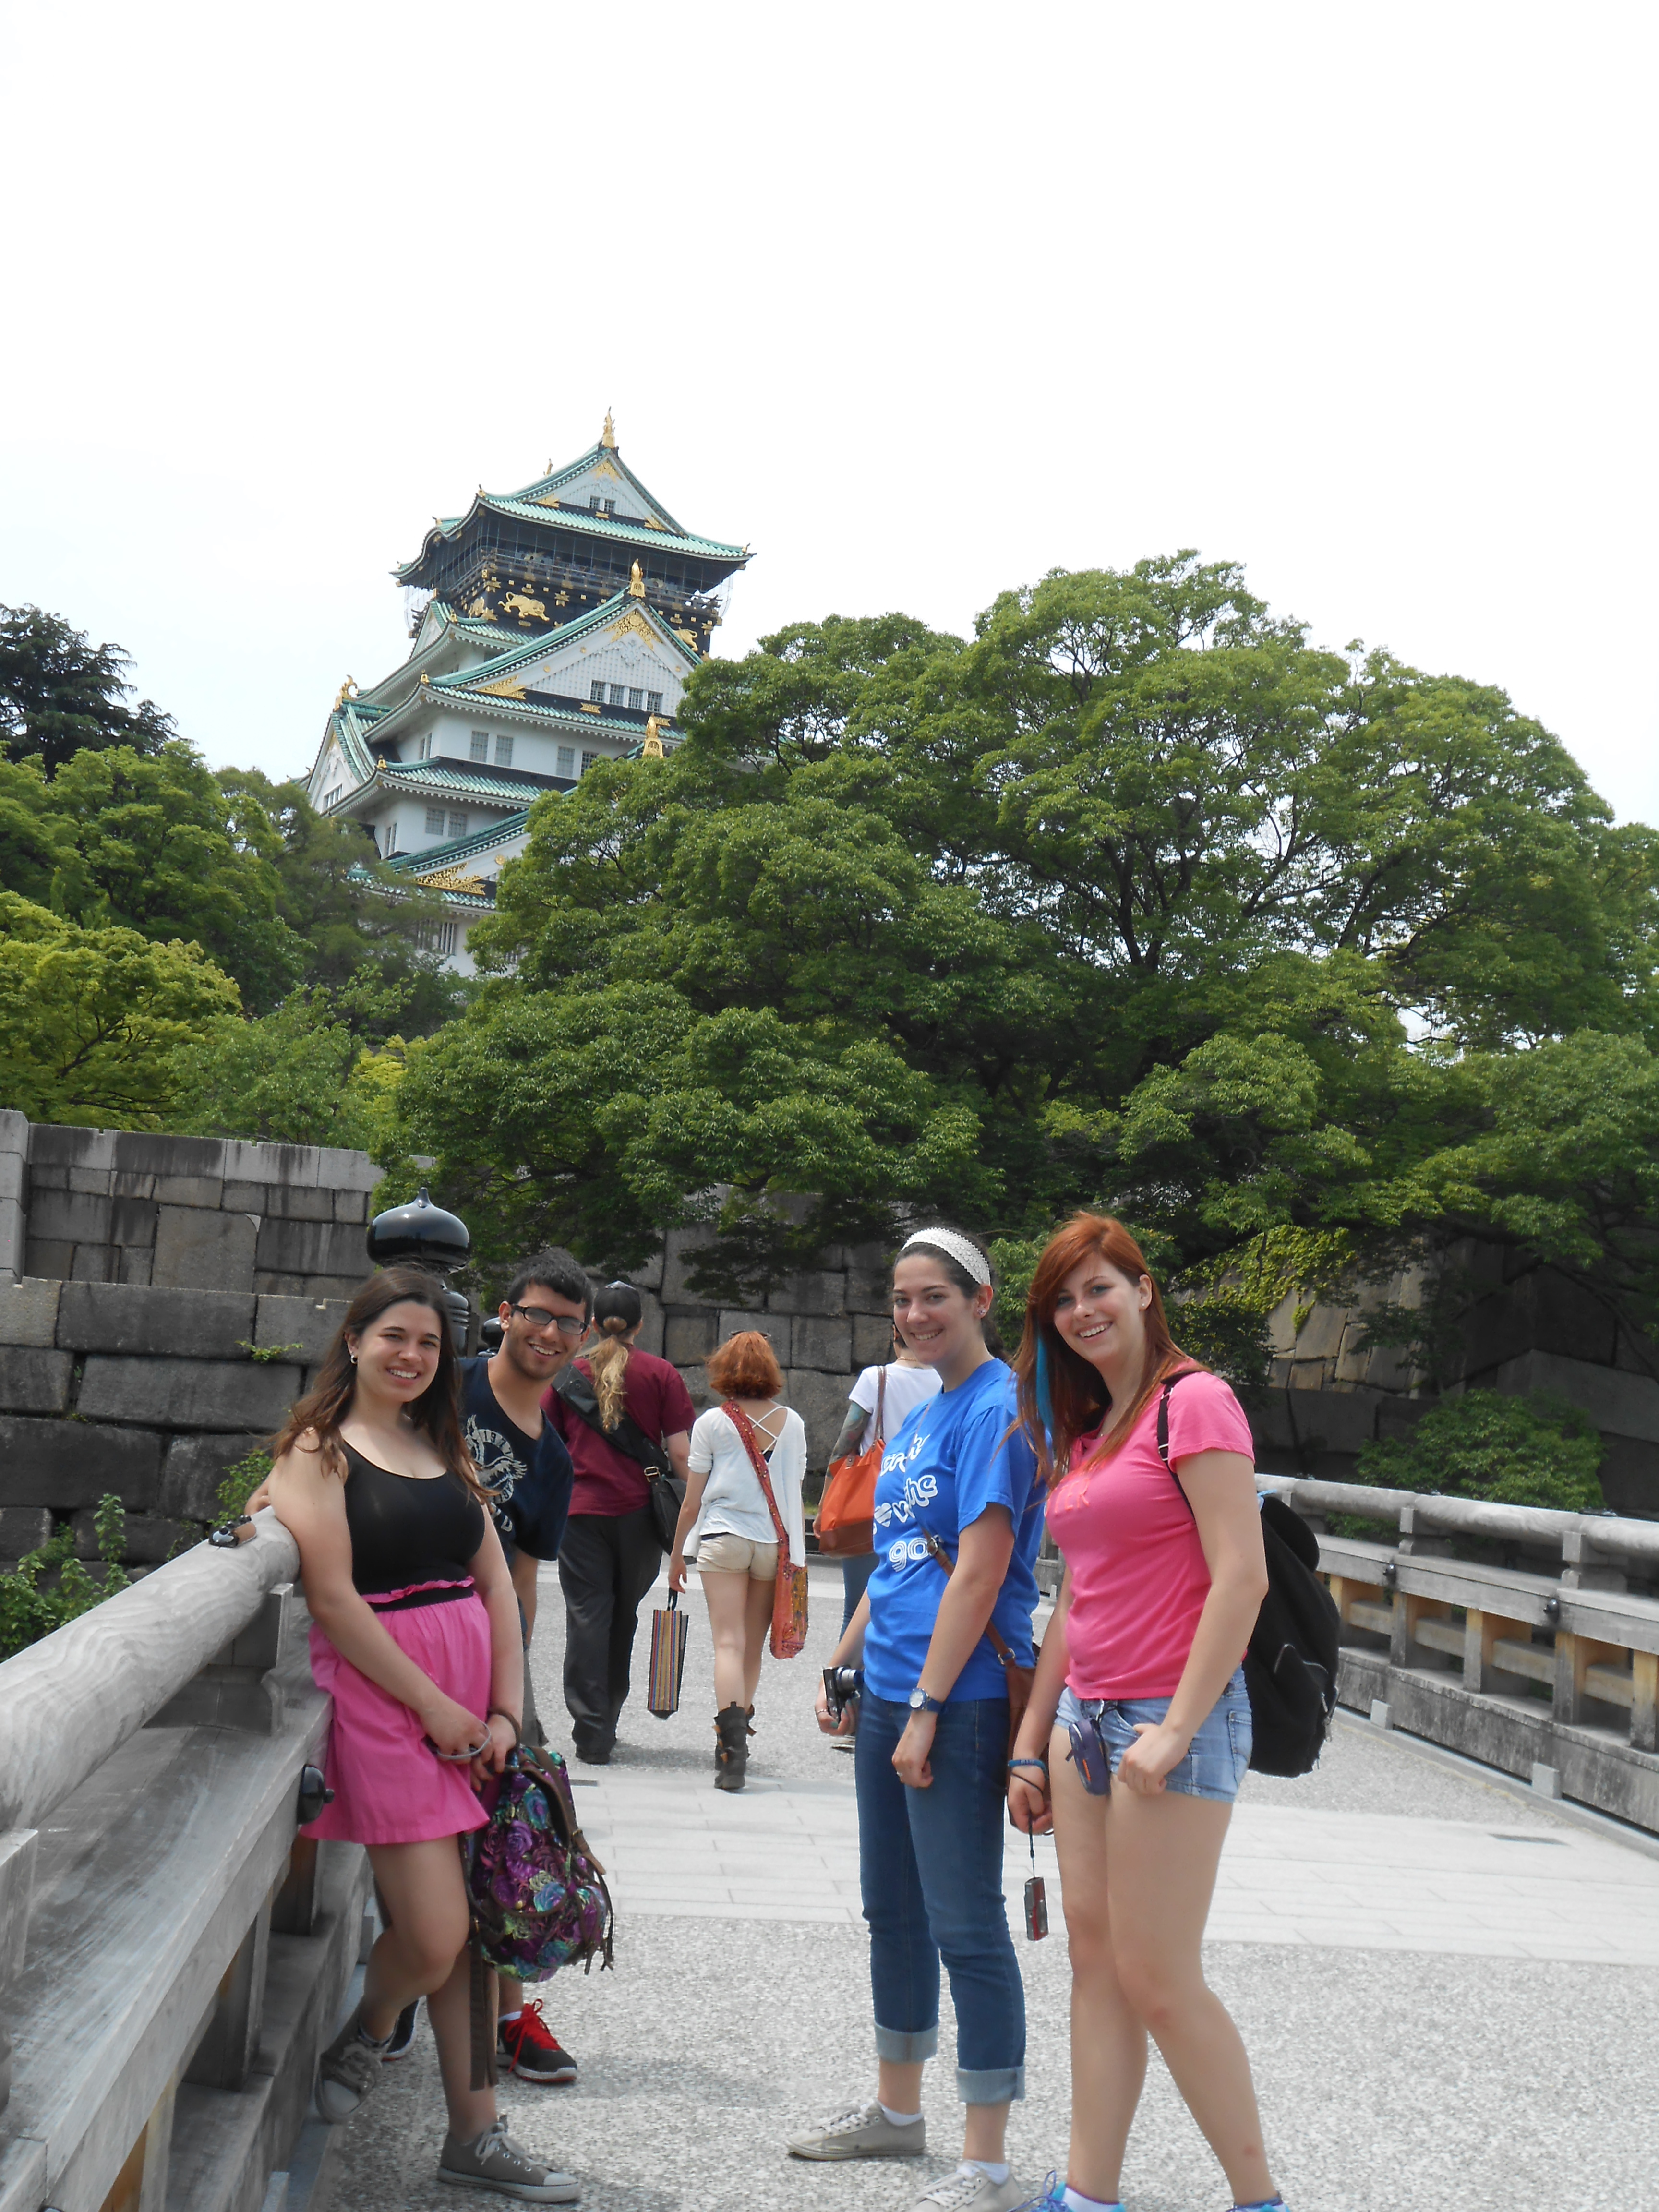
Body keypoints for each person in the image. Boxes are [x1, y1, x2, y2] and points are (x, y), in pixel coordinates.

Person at [264, 1265, 577, 2205]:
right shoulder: (319, 1451)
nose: (411, 1355)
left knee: (477, 1928)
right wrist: (436, 1708)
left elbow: (496, 1584)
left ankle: (475, 2134)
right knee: (435, 1932)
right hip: (384, 1704)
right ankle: (369, 2026)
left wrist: (506, 1714)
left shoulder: (439, 1443)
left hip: (475, 1708)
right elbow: (332, 1598)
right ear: (354, 1340)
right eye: (394, 1336)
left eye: (430, 1343)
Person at [1004, 1215, 1284, 2212]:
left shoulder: (1196, 1403)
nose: (1083, 1312)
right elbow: (1079, 1602)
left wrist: (1173, 1731)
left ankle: (1261, 2201)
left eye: (1099, 1289)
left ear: (1145, 1289)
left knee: (1160, 1975)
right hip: (1087, 1717)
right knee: (1096, 1964)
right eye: (1064, 1300)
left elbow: (1240, 1580)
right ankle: (1089, 2192)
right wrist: (1031, 1746)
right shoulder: (1092, 1431)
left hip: (1177, 1713)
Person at [789, 1226, 1044, 2212]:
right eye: (901, 1298)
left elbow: (978, 1570)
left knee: (965, 1923)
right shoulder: (924, 1410)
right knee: (890, 1911)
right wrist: (844, 1665)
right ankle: (899, 2114)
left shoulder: (999, 1411)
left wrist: (930, 1709)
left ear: (983, 1299)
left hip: (964, 1699)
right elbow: (899, 1557)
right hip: (894, 1688)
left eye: (934, 1296)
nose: (913, 1314)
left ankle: (987, 2161)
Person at [455, 1251, 584, 2086]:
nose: (546, 1332)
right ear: (506, 1312)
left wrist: (518, 1690)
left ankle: (509, 2015)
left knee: (513, 1826)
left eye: (565, 1322)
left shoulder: (555, 1459)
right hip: (401, 1621)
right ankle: (409, 2000)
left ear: (581, 1336)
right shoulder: (447, 1386)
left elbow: (528, 1580)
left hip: (488, 1647)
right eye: (535, 1313)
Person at [543, 1280, 694, 1765]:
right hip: (638, 1516)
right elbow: (680, 1454)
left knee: (587, 1615)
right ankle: (607, 1714)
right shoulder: (662, 1375)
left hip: (580, 1512)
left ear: (590, 1323)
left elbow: (545, 1446)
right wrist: (693, 1514)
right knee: (623, 1613)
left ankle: (590, 1730)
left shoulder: (567, 1377)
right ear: (640, 1325)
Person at [667, 1329, 807, 1791]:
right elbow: (793, 1489)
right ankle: (740, 1741)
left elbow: (693, 1500)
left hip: (723, 1538)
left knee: (727, 1643)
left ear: (724, 1370)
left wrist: (677, 1554)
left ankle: (730, 1755)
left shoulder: (711, 1424)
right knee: (749, 1646)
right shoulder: (794, 1424)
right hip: (772, 1544)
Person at [826, 1325, 943, 1635]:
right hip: (926, 1506)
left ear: (893, 1333)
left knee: (856, 1610)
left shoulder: (876, 1379)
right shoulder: (945, 1381)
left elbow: (844, 1446)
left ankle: (847, 1682)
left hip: (873, 1507)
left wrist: (828, 1500)